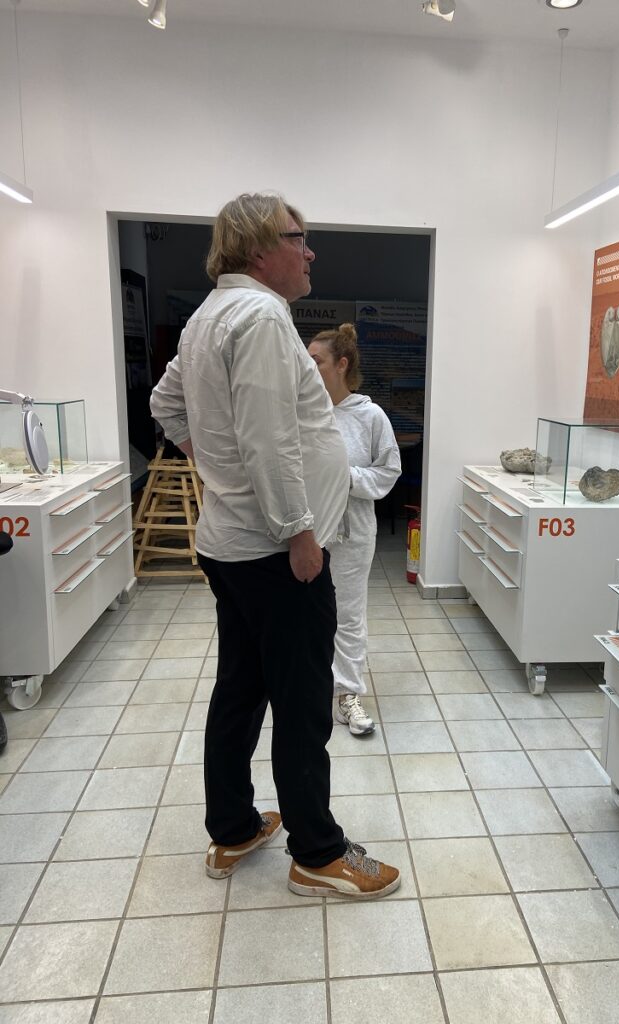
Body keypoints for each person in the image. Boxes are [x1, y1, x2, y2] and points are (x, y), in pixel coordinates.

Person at [150, 192, 399, 900]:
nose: (310, 251)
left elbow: (165, 404)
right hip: (275, 550)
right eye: (299, 237)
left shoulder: (209, 316)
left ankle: (232, 828)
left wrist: (215, 467)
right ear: (259, 248)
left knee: (240, 689)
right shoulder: (260, 317)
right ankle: (317, 852)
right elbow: (269, 439)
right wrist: (300, 533)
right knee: (302, 703)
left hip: (232, 544)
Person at [307, 325, 400, 736]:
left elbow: (389, 470)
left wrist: (344, 478)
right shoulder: (304, 411)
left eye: (316, 361)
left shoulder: (370, 416)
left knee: (347, 615)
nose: (307, 367)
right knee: (305, 614)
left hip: (352, 533)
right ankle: (310, 689)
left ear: (341, 364)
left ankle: (347, 694)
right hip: (305, 533)